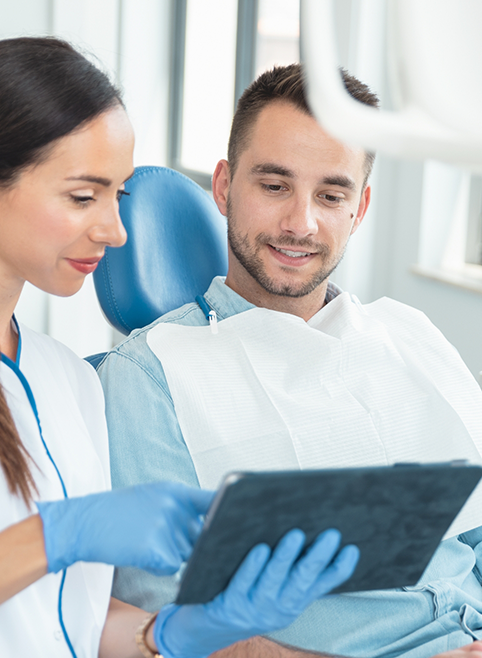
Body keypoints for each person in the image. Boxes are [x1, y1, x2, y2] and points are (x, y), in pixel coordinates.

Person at [0, 40, 363, 657]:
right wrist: (55, 536)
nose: (115, 231)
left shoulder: (65, 380)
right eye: (81, 197)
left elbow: (76, 620)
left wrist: (183, 632)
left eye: (118, 196)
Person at [99, 63, 482, 658]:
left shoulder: (409, 333)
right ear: (224, 187)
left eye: (331, 195)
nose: (300, 223)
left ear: (359, 209)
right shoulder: (150, 375)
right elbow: (166, 626)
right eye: (274, 186)